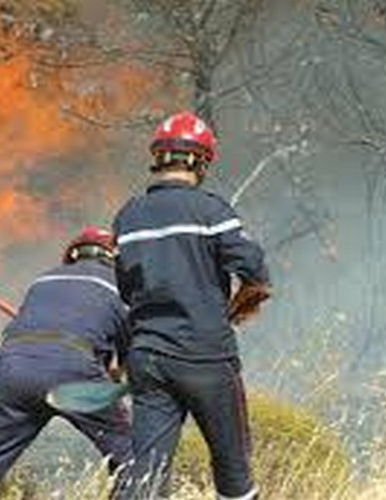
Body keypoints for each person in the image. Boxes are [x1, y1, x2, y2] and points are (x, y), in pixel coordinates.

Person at [113, 112, 271, 500]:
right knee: (234, 471)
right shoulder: (210, 211)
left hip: (147, 358)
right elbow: (256, 271)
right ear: (201, 161)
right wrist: (239, 307)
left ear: (160, 158)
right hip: (205, 356)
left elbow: (125, 291)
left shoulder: (127, 218)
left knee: (146, 477)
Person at [0, 226, 132, 499]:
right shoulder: (120, 287)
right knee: (134, 458)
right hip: (72, 369)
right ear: (115, 257)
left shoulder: (43, 280)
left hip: (13, 369)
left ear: (74, 254)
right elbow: (124, 359)